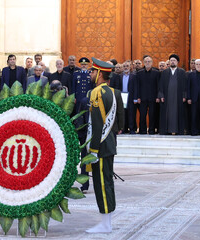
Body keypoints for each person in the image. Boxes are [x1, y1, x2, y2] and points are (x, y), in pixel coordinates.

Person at [85, 57, 117, 233]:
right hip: (108, 143)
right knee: (107, 183)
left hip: (101, 146)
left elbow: (97, 124)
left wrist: (94, 150)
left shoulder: (97, 92)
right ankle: (107, 222)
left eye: (92, 71)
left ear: (98, 74)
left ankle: (105, 224)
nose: (90, 74)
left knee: (102, 184)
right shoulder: (111, 91)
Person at [158, 54, 187, 135]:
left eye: (174, 60)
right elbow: (161, 85)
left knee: (178, 113)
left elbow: (185, 85)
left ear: (177, 62)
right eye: (171, 60)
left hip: (178, 97)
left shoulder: (182, 72)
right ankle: (166, 130)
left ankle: (178, 130)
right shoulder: (164, 72)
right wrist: (161, 95)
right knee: (167, 113)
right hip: (167, 97)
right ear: (169, 62)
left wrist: (184, 96)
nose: (172, 62)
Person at [136, 56, 160, 134]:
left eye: (149, 61)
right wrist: (138, 97)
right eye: (146, 61)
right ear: (143, 63)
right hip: (142, 98)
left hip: (153, 98)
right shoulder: (139, 73)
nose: (147, 63)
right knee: (142, 115)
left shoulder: (156, 73)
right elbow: (137, 86)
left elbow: (158, 86)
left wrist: (157, 96)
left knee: (152, 115)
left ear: (152, 63)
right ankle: (142, 130)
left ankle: (151, 130)